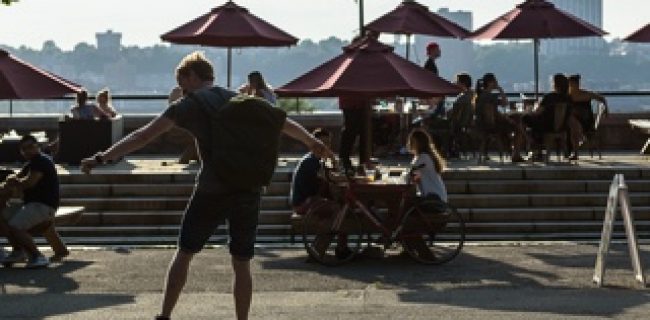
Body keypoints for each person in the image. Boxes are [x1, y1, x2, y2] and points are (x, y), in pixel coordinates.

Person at [79, 51, 333, 320]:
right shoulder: (240, 98)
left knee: (185, 252)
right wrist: (311, 142)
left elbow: (143, 135)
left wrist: (101, 157)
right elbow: (282, 121)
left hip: (212, 188)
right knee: (242, 262)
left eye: (183, 83)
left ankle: (164, 316)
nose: (182, 90)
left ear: (192, 76)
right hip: (248, 186)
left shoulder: (191, 105)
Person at [0, 135, 63, 268]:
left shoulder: (41, 161)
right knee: (2, 217)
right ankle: (18, 251)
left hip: (43, 206)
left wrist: (13, 183)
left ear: (38, 147)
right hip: (30, 205)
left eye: (30, 147)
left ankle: (38, 256)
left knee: (16, 226)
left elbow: (29, 182)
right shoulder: (29, 164)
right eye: (24, 149)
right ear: (21, 151)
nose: (27, 151)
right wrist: (8, 185)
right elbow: (14, 181)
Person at [474, 73, 525, 162]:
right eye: (495, 81)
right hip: (493, 126)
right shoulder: (491, 96)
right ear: (490, 83)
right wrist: (500, 90)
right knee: (517, 123)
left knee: (514, 121)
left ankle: (512, 149)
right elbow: (505, 103)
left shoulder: (479, 96)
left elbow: (492, 113)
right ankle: (516, 154)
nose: (497, 83)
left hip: (481, 126)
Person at [522, 73, 572, 160]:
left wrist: (531, 109)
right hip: (562, 127)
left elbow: (537, 112)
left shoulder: (549, 97)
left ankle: (533, 146)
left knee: (524, 119)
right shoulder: (568, 98)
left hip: (546, 126)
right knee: (535, 125)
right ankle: (537, 148)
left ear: (555, 84)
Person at [567, 74, 609, 159]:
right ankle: (577, 145)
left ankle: (576, 150)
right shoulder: (567, 96)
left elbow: (601, 98)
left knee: (573, 125)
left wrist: (606, 109)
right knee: (572, 122)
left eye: (575, 84)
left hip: (586, 121)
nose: (574, 86)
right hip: (572, 122)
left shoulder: (586, 94)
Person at [407, 129, 447, 204]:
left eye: (413, 142)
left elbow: (411, 172)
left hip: (434, 199)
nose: (410, 144)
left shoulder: (424, 157)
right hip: (436, 197)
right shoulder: (425, 156)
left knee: (407, 203)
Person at [338, 96, 373, 175]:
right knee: (351, 131)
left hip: (359, 102)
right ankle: (345, 161)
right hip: (352, 102)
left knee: (363, 132)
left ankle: (362, 162)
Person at [448, 73, 474, 158]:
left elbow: (453, 113)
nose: (455, 83)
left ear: (462, 83)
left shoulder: (462, 98)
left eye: (457, 82)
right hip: (467, 123)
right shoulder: (472, 95)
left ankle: (448, 149)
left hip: (459, 124)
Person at [423, 42, 445, 116]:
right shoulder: (430, 65)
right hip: (431, 95)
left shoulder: (430, 64)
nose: (440, 51)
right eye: (438, 49)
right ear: (432, 51)